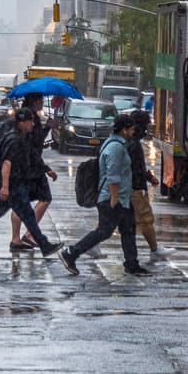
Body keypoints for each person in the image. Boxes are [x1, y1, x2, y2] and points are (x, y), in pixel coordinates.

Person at [58, 113, 149, 276]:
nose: (134, 132)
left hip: (122, 198)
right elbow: (113, 174)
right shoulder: (116, 147)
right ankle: (71, 253)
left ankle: (132, 263)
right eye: (132, 129)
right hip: (112, 198)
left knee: (128, 229)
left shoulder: (118, 143)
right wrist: (114, 198)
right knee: (104, 231)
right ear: (124, 130)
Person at [0, 110, 62, 257]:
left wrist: (46, 169)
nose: (32, 124)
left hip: (15, 185)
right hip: (13, 186)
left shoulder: (21, 138)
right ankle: (44, 245)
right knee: (28, 217)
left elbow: (31, 155)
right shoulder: (14, 140)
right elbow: (7, 163)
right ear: (22, 122)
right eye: (30, 121)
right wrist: (5, 187)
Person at [7, 92, 58, 252]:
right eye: (41, 100)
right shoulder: (32, 118)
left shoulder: (21, 116)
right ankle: (29, 234)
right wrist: (48, 128)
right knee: (45, 198)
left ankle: (16, 238)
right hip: (32, 166)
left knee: (20, 203)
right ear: (36, 102)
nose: (43, 102)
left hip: (21, 166)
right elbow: (34, 144)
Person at [126, 109, 176, 260]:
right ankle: (154, 250)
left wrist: (148, 177)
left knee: (118, 220)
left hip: (133, 187)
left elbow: (136, 167)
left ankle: (152, 250)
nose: (147, 130)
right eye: (145, 126)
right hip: (135, 188)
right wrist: (143, 182)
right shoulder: (132, 144)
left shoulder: (131, 142)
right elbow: (134, 168)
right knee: (145, 218)